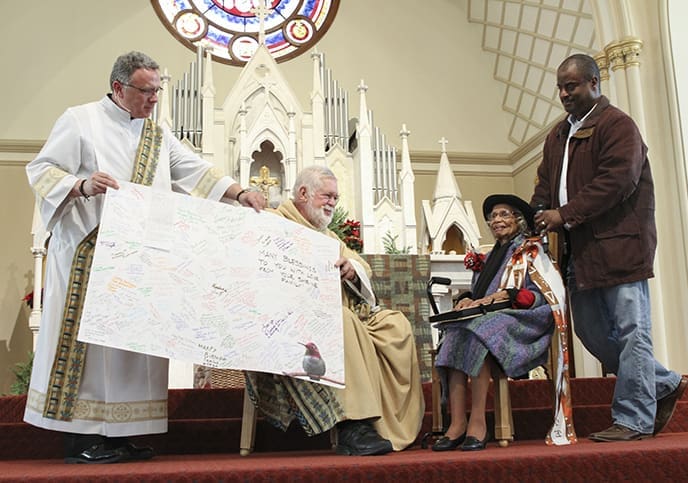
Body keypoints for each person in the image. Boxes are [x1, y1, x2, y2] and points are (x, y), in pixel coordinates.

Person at [24, 51, 266, 464]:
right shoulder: (79, 120)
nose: (154, 98)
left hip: (136, 259)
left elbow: (193, 170)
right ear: (119, 88)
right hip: (88, 250)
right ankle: (83, 439)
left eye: (158, 90)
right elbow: (41, 169)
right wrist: (82, 185)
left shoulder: (156, 135)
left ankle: (119, 433)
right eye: (146, 91)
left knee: (131, 348)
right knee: (91, 349)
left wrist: (239, 193)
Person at [532, 53, 687, 442]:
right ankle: (664, 381)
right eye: (561, 88)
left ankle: (633, 418)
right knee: (590, 331)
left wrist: (563, 214)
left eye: (573, 86)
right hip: (579, 252)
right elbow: (544, 186)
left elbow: (617, 182)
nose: (565, 94)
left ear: (594, 84)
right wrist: (532, 213)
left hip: (620, 247)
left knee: (632, 331)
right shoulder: (557, 136)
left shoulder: (617, 125)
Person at [245, 165, 425, 456]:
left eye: (335, 198)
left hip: (337, 316)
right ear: (303, 193)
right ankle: (353, 425)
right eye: (326, 196)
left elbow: (360, 265)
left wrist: (352, 270)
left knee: (395, 325)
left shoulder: (328, 236)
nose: (332, 202)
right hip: (289, 324)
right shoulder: (272, 223)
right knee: (342, 321)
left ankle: (387, 425)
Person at [433, 194, 570, 451]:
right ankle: (457, 423)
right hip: (491, 317)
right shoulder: (492, 255)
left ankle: (478, 422)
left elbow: (544, 295)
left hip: (526, 321)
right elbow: (481, 295)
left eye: (504, 214)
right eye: (494, 216)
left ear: (518, 221)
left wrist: (511, 295)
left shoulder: (531, 251)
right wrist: (466, 299)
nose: (497, 220)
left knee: (479, 331)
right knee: (455, 332)